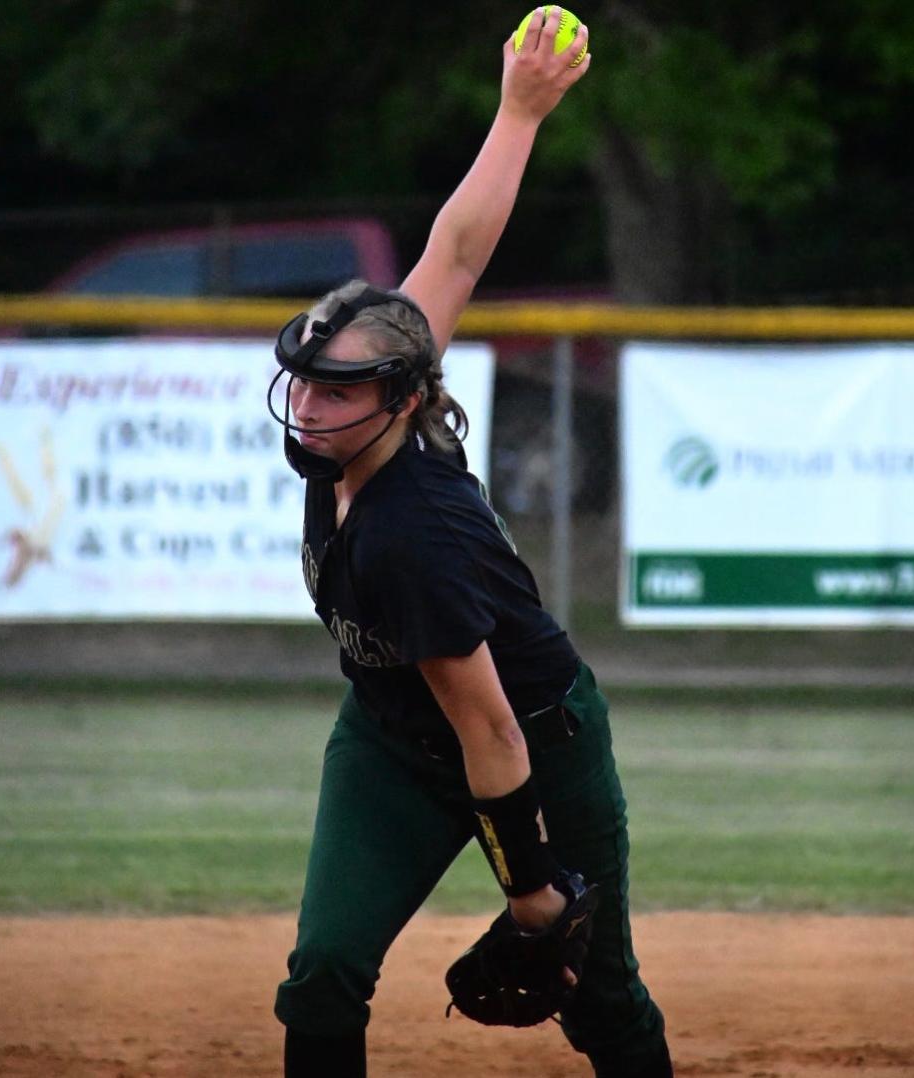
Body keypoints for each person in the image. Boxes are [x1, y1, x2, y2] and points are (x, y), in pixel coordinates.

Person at [266, 9, 673, 1076]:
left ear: (400, 399)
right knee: (323, 970)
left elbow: (492, 733)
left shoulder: (416, 534)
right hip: (393, 738)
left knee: (599, 995)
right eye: (305, 380)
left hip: (539, 742)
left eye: (339, 389)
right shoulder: (368, 413)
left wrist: (536, 891)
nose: (311, 406)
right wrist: (519, 109)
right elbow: (453, 250)